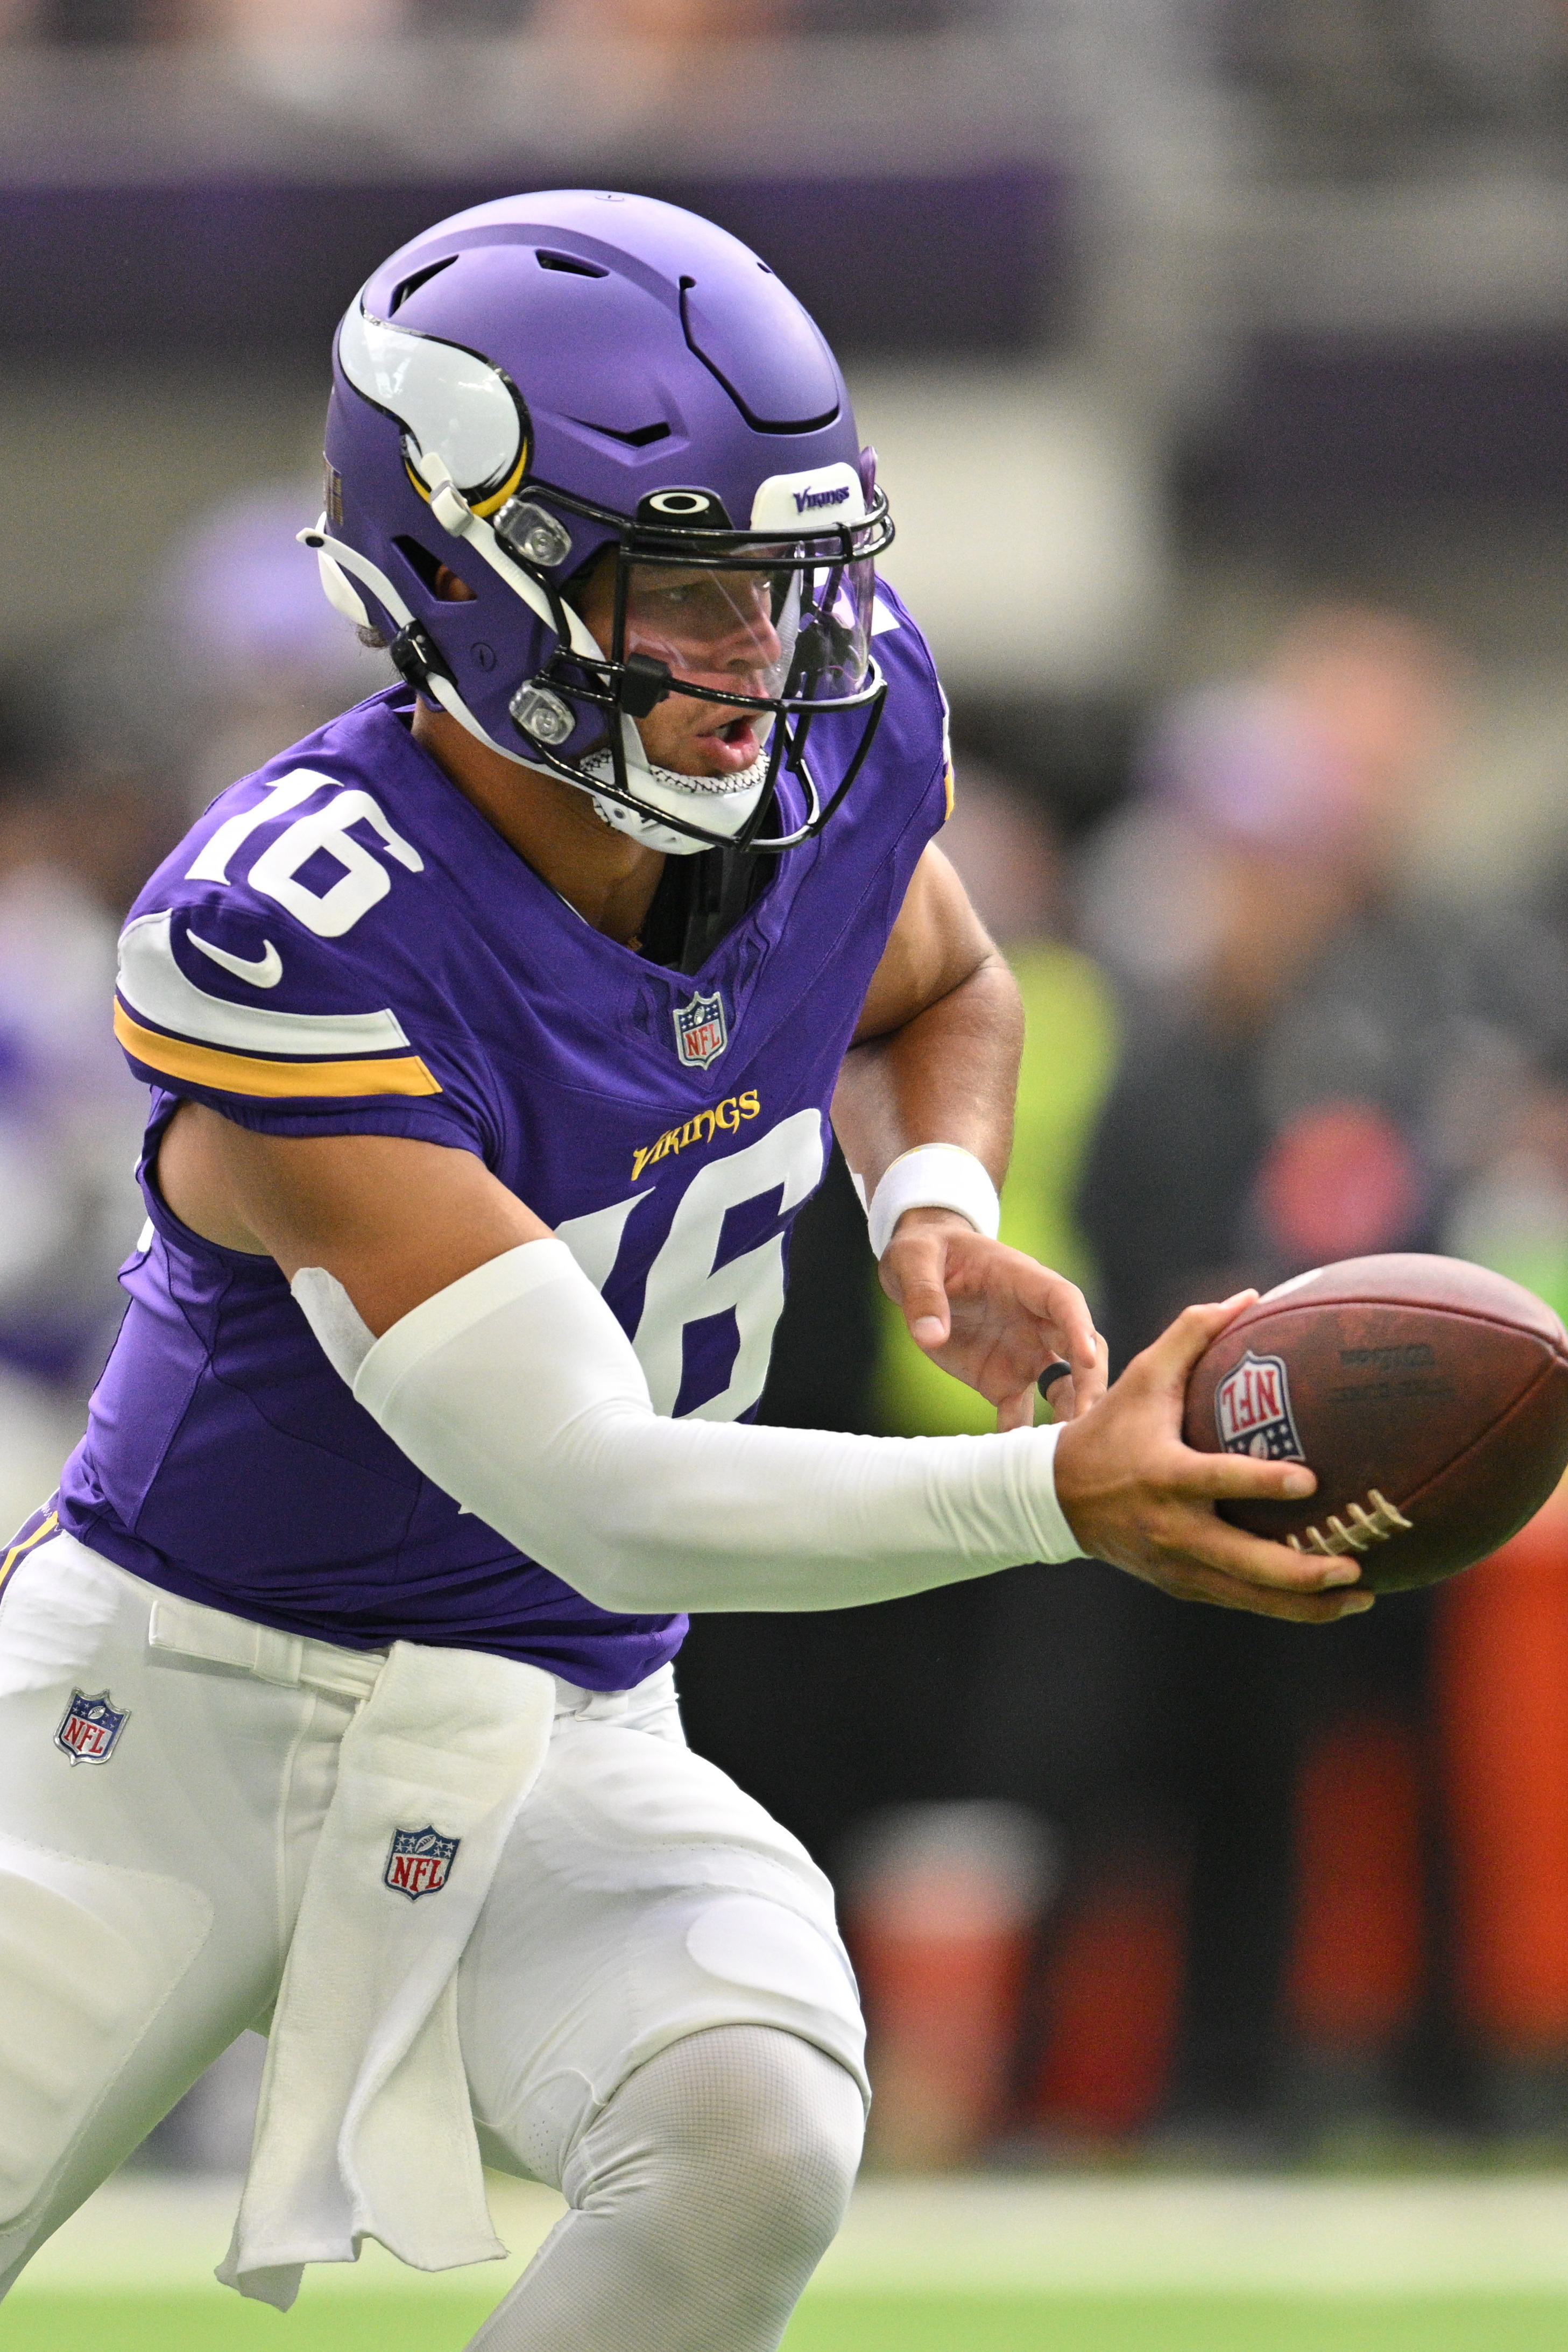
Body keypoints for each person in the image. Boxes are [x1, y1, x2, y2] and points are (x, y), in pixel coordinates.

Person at [0, 191, 1367, 2351]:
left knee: (751, 2119)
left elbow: (942, 978)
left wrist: (936, 1208)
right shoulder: (296, 927)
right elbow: (598, 1479)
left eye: (787, 585)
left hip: (549, 1706)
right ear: (464, 572)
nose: (763, 659)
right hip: (160, 1709)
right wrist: (1051, 1497)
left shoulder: (826, 745)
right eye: (694, 590)